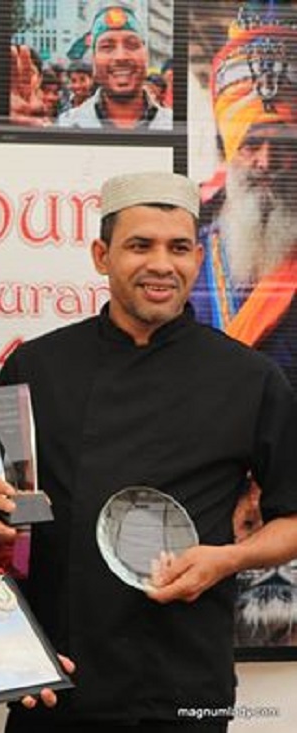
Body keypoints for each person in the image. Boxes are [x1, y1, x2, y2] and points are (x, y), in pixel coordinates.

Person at [0, 171, 297, 732]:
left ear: (198, 257)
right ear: (101, 255)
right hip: (55, 678)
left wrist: (228, 559)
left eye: (178, 248)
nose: (161, 265)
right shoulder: (34, 369)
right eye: (139, 246)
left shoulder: (251, 378)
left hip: (185, 683)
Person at [192, 0, 297, 648]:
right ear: (231, 151)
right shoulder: (191, 258)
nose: (265, 161)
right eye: (251, 144)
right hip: (206, 512)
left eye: (283, 146)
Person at [59, 3, 171, 130]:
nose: (121, 56)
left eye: (132, 45)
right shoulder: (67, 125)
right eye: (107, 47)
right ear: (94, 60)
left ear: (146, 56)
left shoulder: (173, 125)